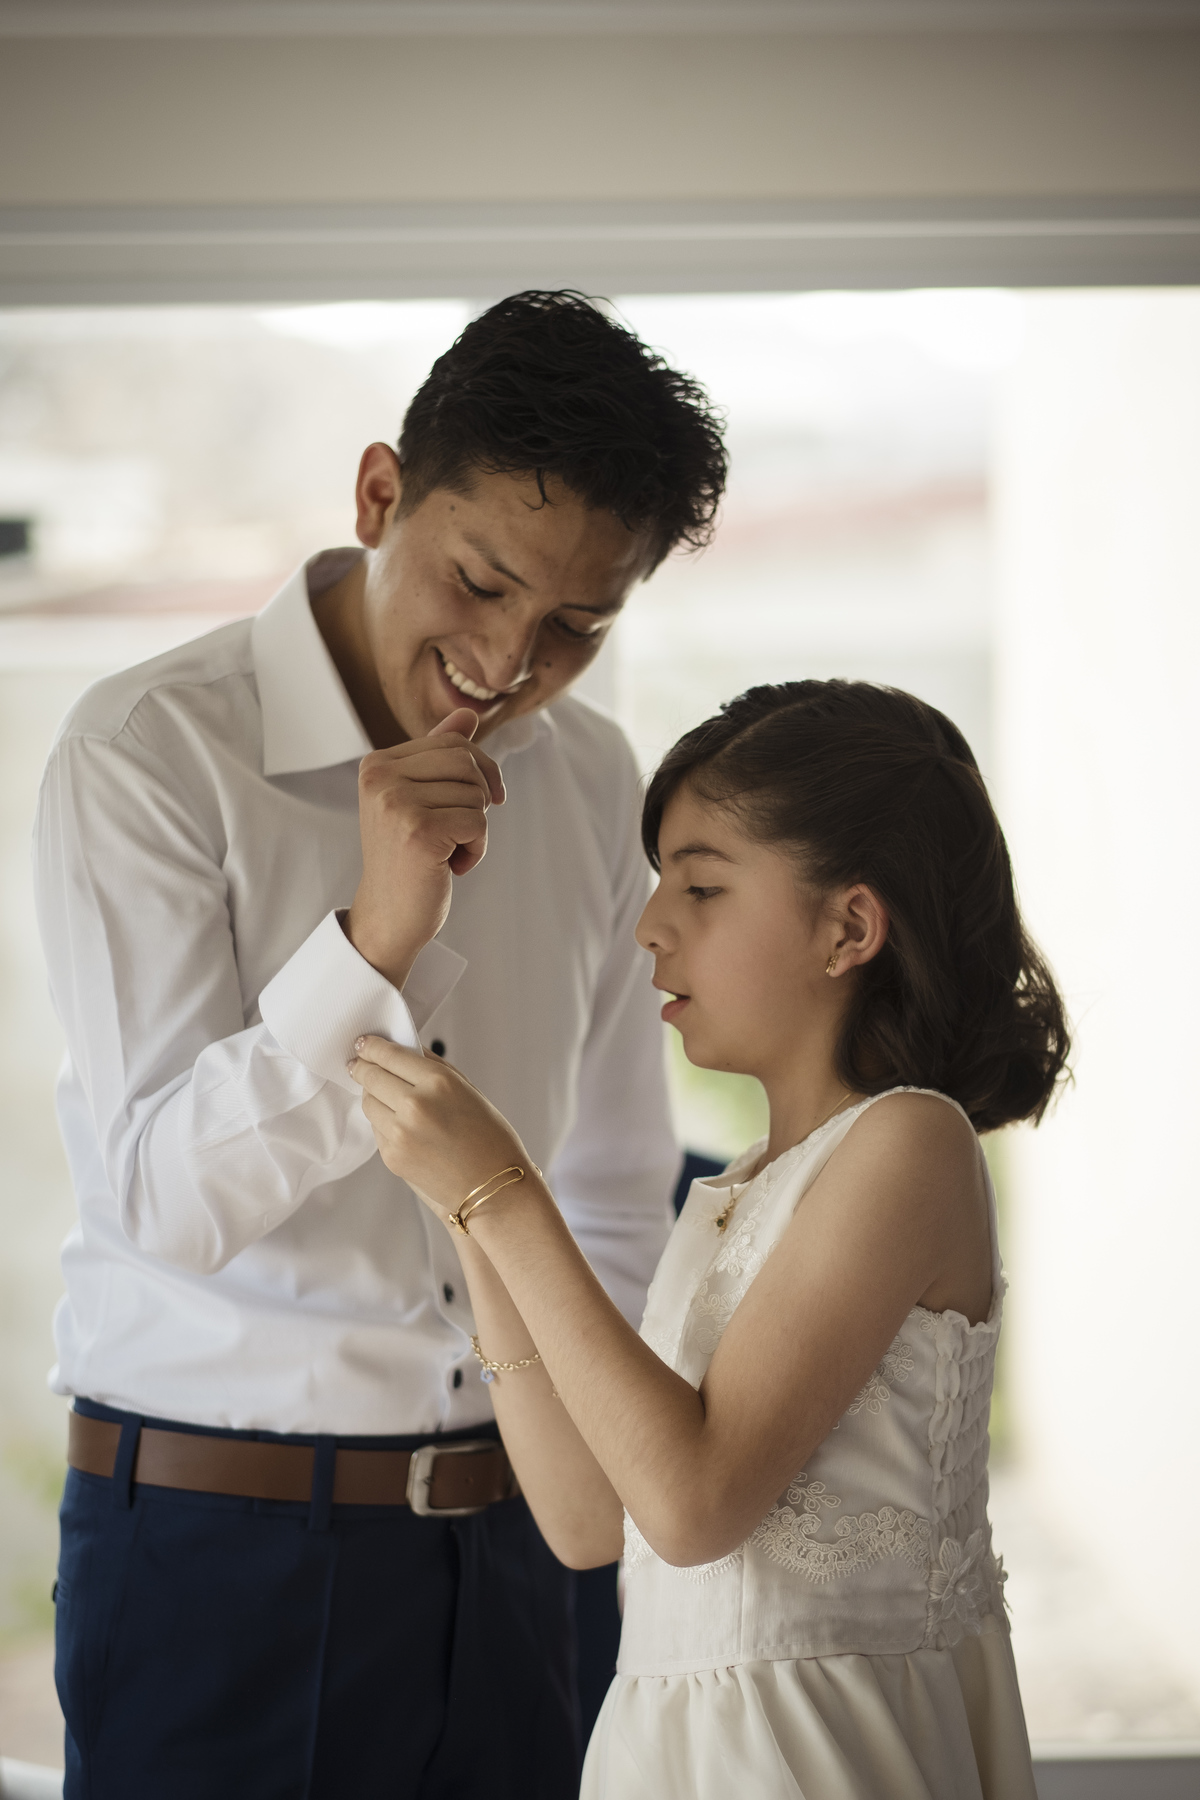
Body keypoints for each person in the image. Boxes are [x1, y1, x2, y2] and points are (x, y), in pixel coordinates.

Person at [33, 291, 727, 1799]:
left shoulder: (598, 776)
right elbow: (164, 1198)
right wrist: (372, 942)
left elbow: (612, 1183)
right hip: (224, 1556)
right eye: (482, 583)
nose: (508, 658)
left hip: (529, 1549)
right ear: (378, 496)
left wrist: (588, 1482)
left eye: (576, 628)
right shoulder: (145, 754)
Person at [349, 678, 1070, 1800]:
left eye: (700, 885)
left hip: (817, 1757)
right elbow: (593, 1521)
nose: (649, 925)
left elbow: (692, 1506)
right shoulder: (735, 1193)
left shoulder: (909, 1145)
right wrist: (467, 1212)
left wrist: (505, 1191)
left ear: (850, 928)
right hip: (675, 1755)